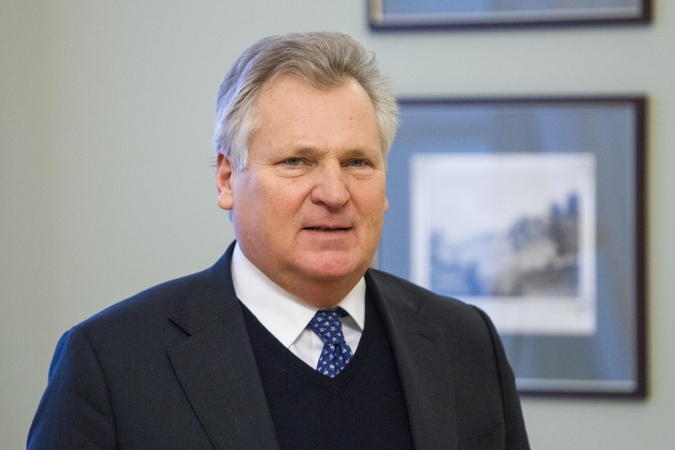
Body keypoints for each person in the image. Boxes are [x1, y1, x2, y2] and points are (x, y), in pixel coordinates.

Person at [28, 32, 529, 449]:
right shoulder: (111, 364)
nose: (334, 193)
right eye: (296, 162)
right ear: (227, 179)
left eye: (357, 162)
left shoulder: (466, 341)